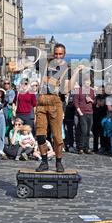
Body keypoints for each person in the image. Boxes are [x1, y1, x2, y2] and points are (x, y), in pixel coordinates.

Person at [35, 43, 82, 172]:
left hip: (56, 104)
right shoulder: (45, 64)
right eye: (56, 53)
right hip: (42, 103)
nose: (58, 56)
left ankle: (58, 162)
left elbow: (66, 89)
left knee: (57, 136)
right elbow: (34, 70)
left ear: (64, 55)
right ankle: (44, 162)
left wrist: (77, 71)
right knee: (40, 134)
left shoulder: (67, 69)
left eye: (60, 54)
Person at [74, 77, 95, 154]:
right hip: (82, 113)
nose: (88, 83)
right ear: (83, 82)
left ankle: (87, 148)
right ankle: (81, 148)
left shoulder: (92, 91)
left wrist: (91, 100)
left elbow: (94, 101)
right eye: (86, 82)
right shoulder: (78, 91)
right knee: (83, 131)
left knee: (88, 131)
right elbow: (75, 102)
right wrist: (80, 112)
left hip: (90, 113)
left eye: (89, 82)